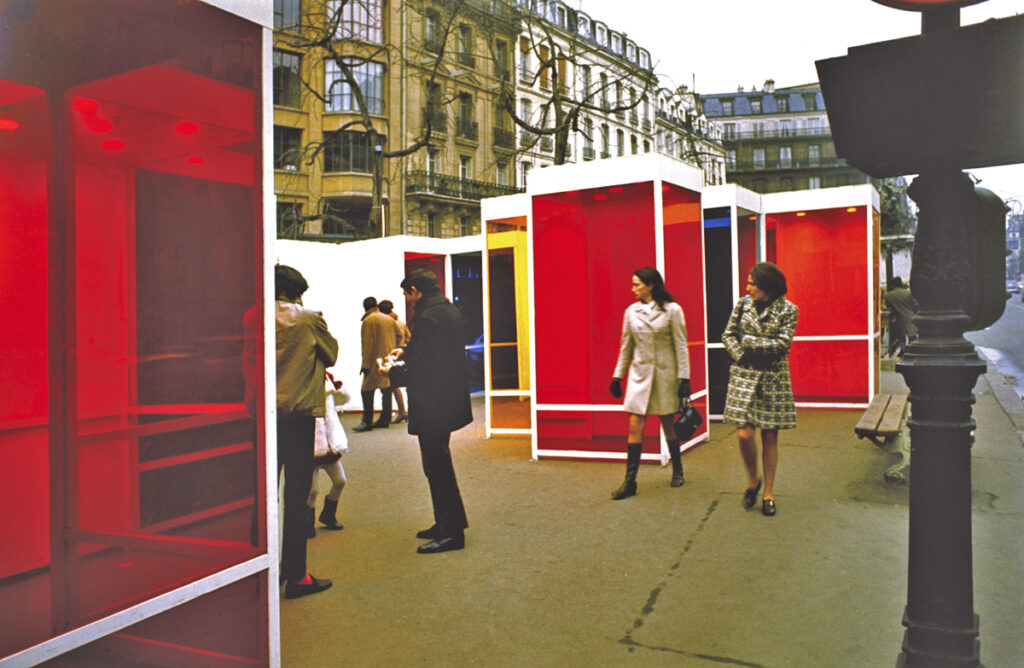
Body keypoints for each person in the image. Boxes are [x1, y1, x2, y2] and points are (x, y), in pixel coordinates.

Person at [384, 269, 472, 554]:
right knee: (438, 463)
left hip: (432, 401)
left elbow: (425, 364)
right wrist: (406, 352)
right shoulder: (448, 310)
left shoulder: (425, 316)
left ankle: (451, 532)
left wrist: (392, 372)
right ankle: (446, 522)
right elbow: (436, 351)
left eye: (407, 295)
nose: (407, 301)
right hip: (447, 399)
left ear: (413, 290)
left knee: (437, 466)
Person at [275, 264, 338, 597]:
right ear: (297, 288)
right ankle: (296, 576)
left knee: (264, 496)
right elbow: (331, 354)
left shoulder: (251, 317)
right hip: (298, 417)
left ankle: (264, 568)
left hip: (262, 418)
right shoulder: (309, 317)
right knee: (297, 497)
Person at [721, 262, 798, 517]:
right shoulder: (742, 305)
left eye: (752, 283)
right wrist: (741, 354)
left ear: (767, 287)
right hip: (744, 374)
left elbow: (783, 344)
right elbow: (728, 335)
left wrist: (750, 341)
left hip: (773, 379)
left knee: (770, 436)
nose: (748, 287)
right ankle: (753, 480)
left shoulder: (789, 310)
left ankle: (769, 494)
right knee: (743, 434)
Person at [609, 267, 690, 500]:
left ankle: (678, 470)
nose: (632, 289)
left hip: (665, 376)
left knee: (668, 424)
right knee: (635, 425)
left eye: (637, 284)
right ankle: (629, 481)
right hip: (640, 376)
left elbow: (681, 345)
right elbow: (626, 346)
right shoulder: (631, 312)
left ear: (650, 285)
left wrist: (684, 378)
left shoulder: (672, 310)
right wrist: (618, 376)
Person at [306, 372, 349, 536]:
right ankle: (307, 523)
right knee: (312, 490)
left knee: (340, 481)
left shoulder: (326, 378)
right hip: (311, 444)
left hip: (330, 441)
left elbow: (341, 401)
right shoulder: (304, 379)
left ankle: (328, 515)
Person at [355, 296, 397, 432]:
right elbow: (400, 335)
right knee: (386, 389)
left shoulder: (368, 321)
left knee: (366, 390)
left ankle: (367, 421)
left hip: (374, 361)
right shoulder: (389, 319)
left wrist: (365, 365)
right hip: (388, 359)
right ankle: (385, 418)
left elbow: (367, 345)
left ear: (365, 307)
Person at [378, 299, 410, 423]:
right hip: (402, 354)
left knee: (393, 384)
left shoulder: (388, 323)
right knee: (397, 384)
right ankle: (403, 411)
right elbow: (408, 337)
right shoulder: (400, 322)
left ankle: (402, 411)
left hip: (393, 354)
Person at [884, 276, 918, 357]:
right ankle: (912, 352)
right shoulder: (908, 293)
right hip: (911, 318)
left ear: (892, 285)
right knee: (912, 337)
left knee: (901, 338)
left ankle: (902, 352)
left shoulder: (888, 295)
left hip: (900, 320)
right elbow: (916, 305)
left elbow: (889, 307)